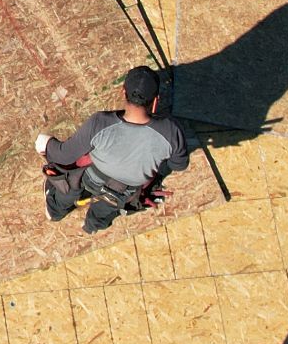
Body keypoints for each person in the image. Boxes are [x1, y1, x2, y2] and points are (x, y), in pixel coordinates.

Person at [38, 65, 189, 233]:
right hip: (125, 192)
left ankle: (56, 210)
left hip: (92, 178)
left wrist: (46, 144)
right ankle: (92, 226)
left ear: (123, 92)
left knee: (71, 178)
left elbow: (64, 155)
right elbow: (179, 165)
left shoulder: (100, 123)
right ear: (155, 101)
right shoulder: (171, 131)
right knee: (108, 208)